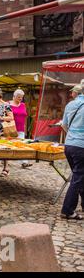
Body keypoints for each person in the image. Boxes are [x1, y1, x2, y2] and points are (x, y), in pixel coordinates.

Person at [60, 92, 84, 220]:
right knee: (78, 177)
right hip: (81, 146)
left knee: (79, 175)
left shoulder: (71, 104)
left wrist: (73, 136)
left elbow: (64, 125)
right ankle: (67, 210)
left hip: (69, 145)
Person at [10, 89, 31, 169]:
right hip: (11, 129)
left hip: (21, 129)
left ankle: (24, 162)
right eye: (18, 97)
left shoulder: (23, 105)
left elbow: (24, 117)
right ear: (14, 96)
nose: (20, 99)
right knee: (8, 145)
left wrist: (25, 128)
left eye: (21, 97)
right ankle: (3, 160)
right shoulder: (9, 104)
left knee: (22, 145)